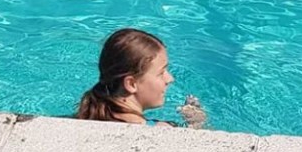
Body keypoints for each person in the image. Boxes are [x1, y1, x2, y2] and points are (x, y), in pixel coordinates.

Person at [74, 28, 207, 128]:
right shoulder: (163, 130)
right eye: (162, 73)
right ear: (131, 84)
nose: (170, 79)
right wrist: (197, 124)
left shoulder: (83, 118)